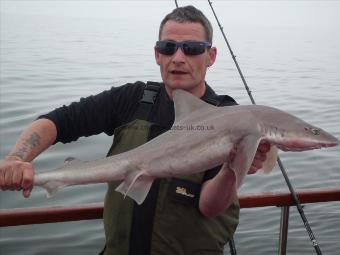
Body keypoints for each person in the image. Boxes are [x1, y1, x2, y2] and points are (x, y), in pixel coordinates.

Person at [0, 5, 270, 255]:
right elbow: (58, 121)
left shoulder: (228, 117)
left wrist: (234, 166)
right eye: (168, 47)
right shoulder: (133, 99)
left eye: (192, 48)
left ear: (210, 56)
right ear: (157, 54)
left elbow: (210, 207)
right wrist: (17, 158)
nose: (178, 57)